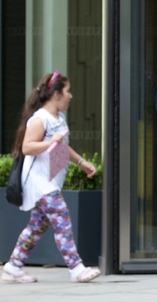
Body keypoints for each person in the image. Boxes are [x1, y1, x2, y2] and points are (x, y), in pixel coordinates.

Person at [2, 71, 101, 284]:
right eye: (67, 91)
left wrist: (82, 163)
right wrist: (50, 142)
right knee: (62, 219)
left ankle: (13, 267)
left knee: (37, 225)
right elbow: (27, 147)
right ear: (56, 94)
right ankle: (76, 268)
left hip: (50, 180)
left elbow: (62, 148)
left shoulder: (59, 118)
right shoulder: (39, 119)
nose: (70, 95)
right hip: (39, 183)